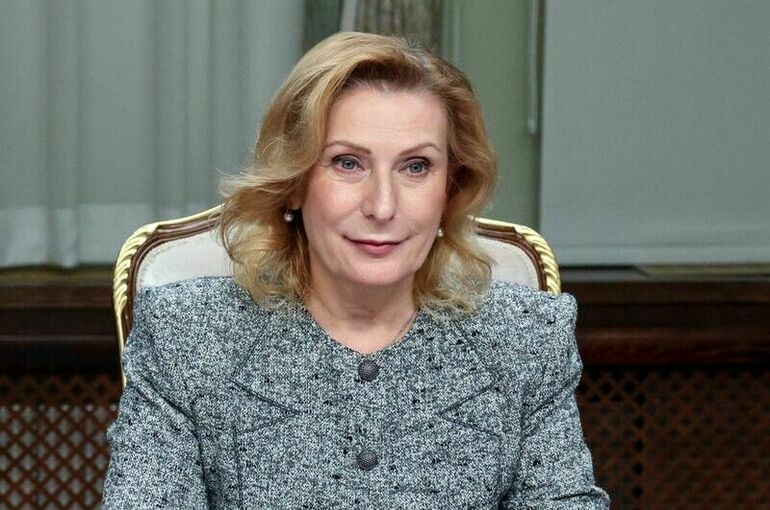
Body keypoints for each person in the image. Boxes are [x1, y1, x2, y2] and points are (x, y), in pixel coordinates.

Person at [102, 32, 609, 509]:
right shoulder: (186, 335)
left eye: (416, 166)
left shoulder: (527, 338)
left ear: (450, 188)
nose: (382, 206)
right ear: (295, 184)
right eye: (348, 163)